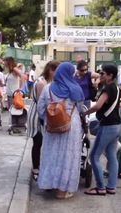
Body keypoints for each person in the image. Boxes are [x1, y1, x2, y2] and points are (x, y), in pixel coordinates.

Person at [83, 64, 121, 196]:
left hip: (107, 126)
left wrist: (84, 113)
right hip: (117, 125)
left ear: (110, 75)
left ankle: (100, 187)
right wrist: (118, 105)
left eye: (103, 74)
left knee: (94, 156)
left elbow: (98, 106)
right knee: (111, 156)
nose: (100, 75)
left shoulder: (107, 89)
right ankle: (111, 186)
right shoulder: (117, 88)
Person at [36, 62, 85, 199]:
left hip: (52, 126)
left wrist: (50, 119)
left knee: (51, 155)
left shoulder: (47, 88)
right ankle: (62, 191)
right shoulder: (75, 88)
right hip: (71, 126)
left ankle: (49, 184)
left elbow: (41, 110)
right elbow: (80, 109)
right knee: (67, 157)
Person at [27, 61, 59, 181]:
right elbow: (42, 103)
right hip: (37, 115)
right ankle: (36, 168)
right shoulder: (42, 82)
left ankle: (41, 167)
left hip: (45, 114)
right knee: (38, 142)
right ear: (50, 70)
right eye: (56, 70)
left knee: (43, 142)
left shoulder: (49, 82)